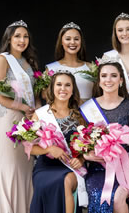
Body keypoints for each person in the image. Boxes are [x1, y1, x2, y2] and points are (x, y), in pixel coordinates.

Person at [0, 20, 39, 213]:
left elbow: (35, 92)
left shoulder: (28, 61)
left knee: (26, 167)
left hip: (28, 120)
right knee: (10, 167)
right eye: (17, 36)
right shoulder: (3, 59)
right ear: (9, 38)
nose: (22, 40)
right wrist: (23, 106)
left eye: (25, 36)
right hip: (10, 118)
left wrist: (35, 112)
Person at [80, 59, 129, 213]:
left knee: (120, 197)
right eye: (104, 76)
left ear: (121, 80)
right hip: (98, 167)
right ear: (99, 81)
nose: (108, 80)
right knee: (99, 195)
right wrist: (87, 154)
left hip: (125, 167)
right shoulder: (87, 108)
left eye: (113, 76)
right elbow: (81, 141)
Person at [30, 72, 86, 213]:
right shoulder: (40, 114)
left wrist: (81, 159)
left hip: (70, 167)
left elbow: (87, 146)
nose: (63, 89)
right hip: (46, 166)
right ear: (52, 88)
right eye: (59, 84)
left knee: (66, 180)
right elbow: (29, 147)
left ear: (73, 90)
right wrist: (48, 149)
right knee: (58, 182)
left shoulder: (79, 116)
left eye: (68, 85)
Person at [46, 22, 93, 101]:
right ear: (61, 41)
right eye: (68, 39)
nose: (72, 42)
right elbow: (46, 96)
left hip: (88, 111)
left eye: (76, 39)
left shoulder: (91, 67)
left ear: (81, 41)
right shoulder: (51, 68)